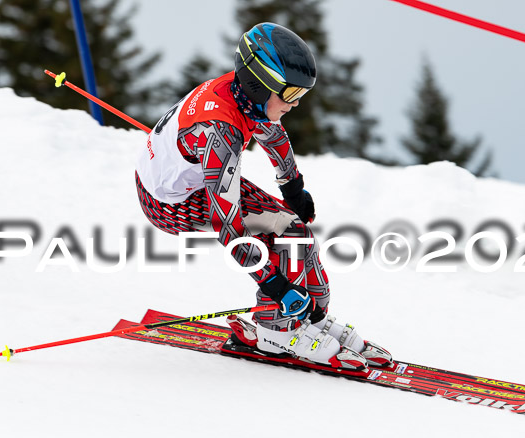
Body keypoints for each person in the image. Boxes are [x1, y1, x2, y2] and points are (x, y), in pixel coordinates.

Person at [135, 22, 391, 370]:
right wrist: (274, 286)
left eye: (301, 95)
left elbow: (272, 133)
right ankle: (275, 332)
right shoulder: (221, 132)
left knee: (296, 230)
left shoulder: (245, 97)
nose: (296, 104)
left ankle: (310, 318)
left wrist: (293, 187)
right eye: (290, 96)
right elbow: (228, 228)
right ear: (260, 86)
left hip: (191, 178)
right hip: (168, 203)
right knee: (286, 234)